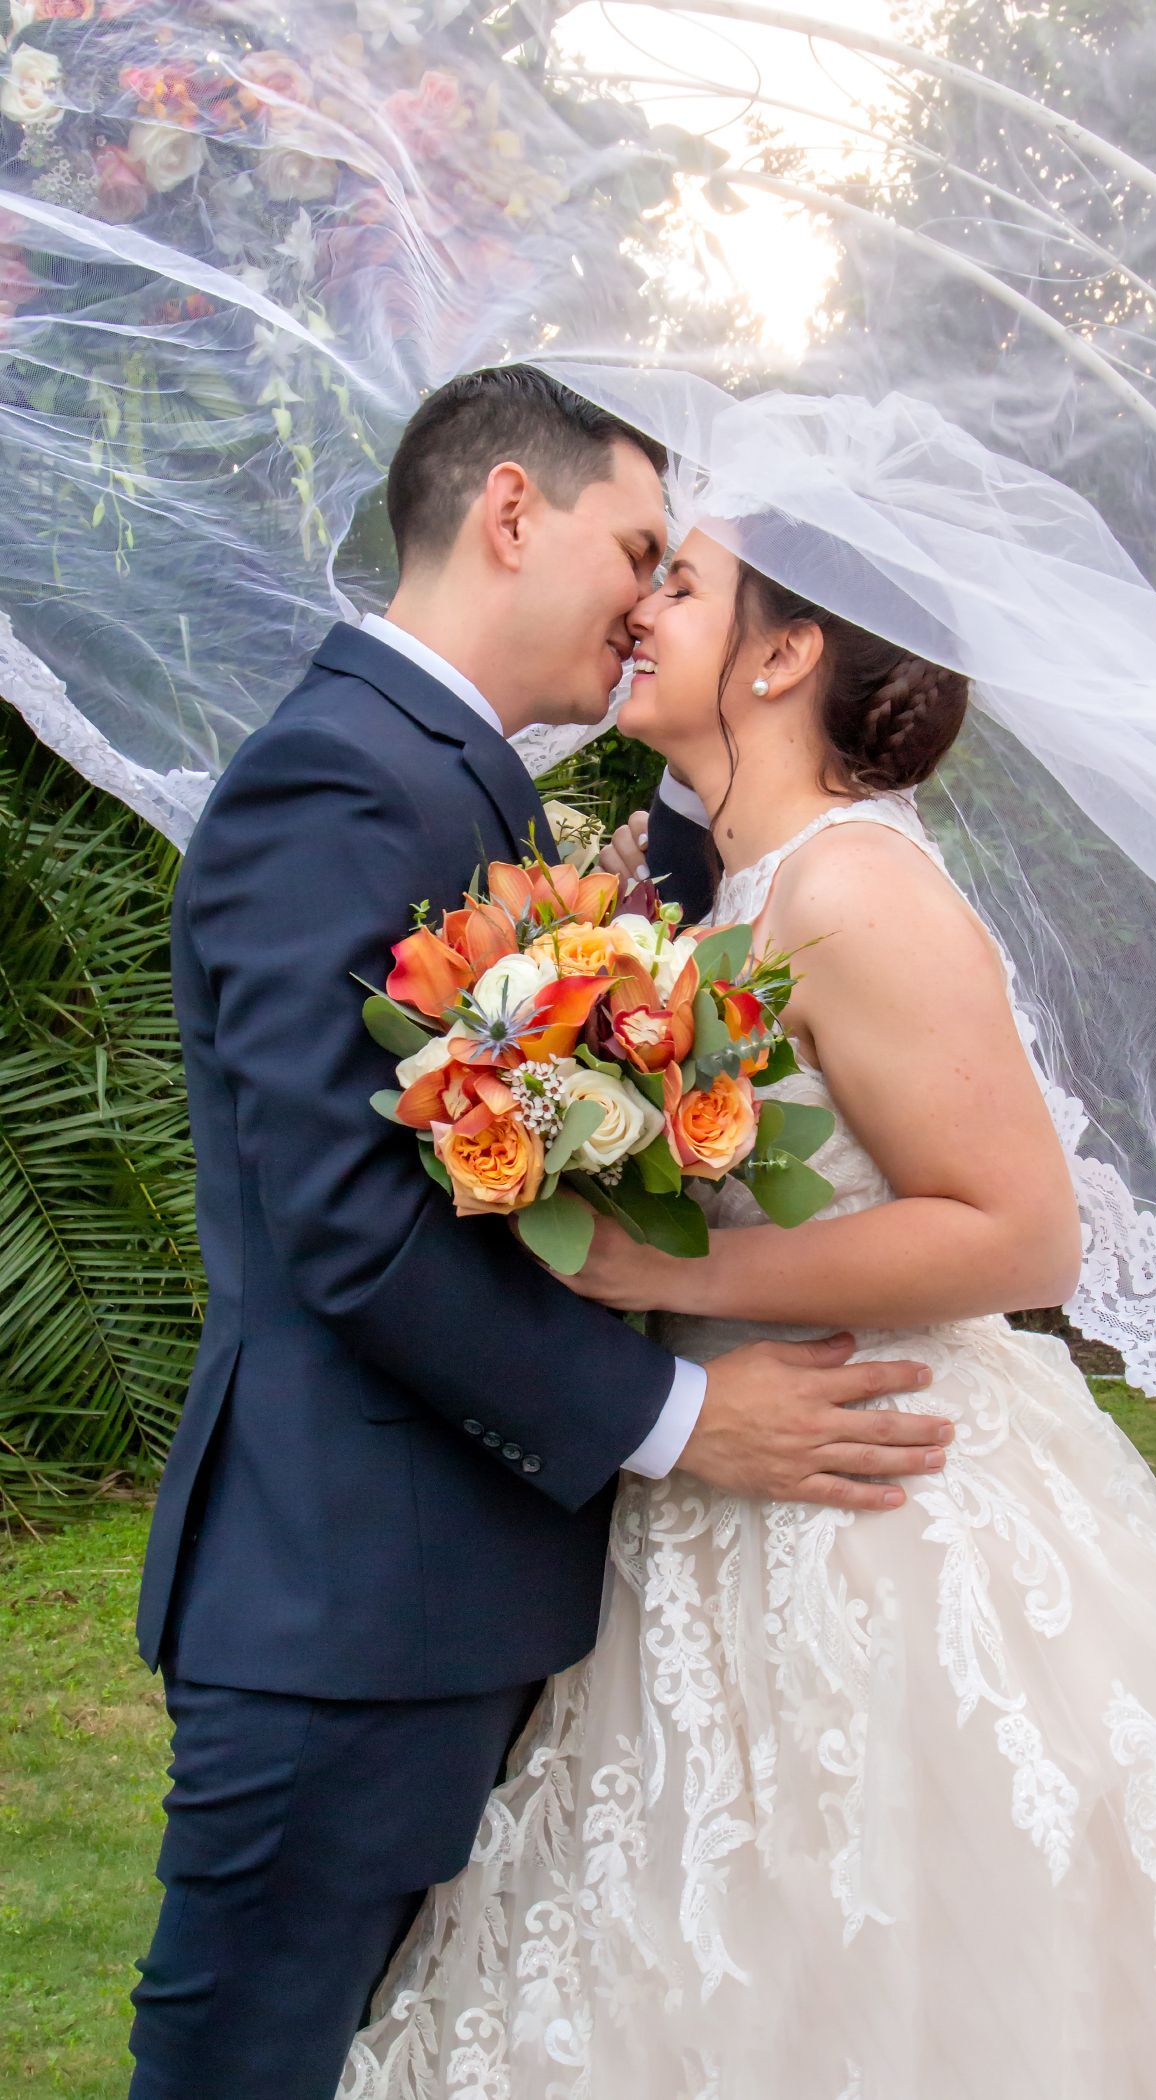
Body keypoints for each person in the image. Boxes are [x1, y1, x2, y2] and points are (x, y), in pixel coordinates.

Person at [342, 522, 1156, 2100]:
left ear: (787, 651)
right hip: (729, 1501)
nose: (638, 607)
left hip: (892, 1510)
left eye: (682, 585)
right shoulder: (726, 897)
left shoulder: (857, 887)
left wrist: (673, 1273)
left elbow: (1021, 1234)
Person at [126, 368, 952, 2100]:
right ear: (513, 511)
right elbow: (353, 1226)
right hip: (348, 1605)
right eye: (640, 551)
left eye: (676, 577)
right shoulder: (341, 782)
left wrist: (719, 797)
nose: (647, 605)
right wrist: (681, 1417)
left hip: (448, 1593)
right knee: (254, 2063)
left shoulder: (447, 776)